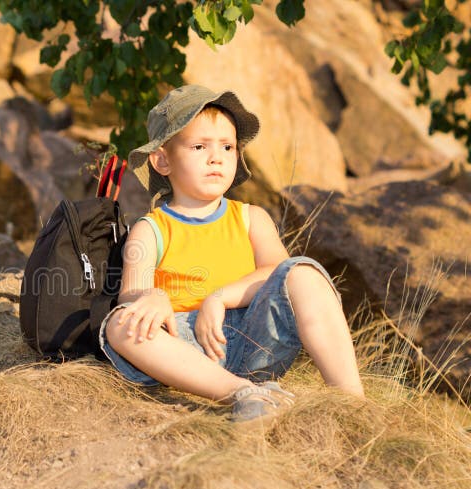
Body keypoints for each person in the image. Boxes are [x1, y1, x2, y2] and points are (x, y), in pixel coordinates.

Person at [99, 85, 364, 422]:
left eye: (227, 146)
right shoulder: (150, 229)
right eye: (199, 147)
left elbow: (278, 274)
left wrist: (219, 298)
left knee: (303, 274)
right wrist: (151, 296)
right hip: (185, 348)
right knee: (121, 324)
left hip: (254, 334)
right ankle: (243, 393)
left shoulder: (250, 218)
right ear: (163, 160)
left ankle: (352, 403)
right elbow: (130, 295)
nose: (216, 157)